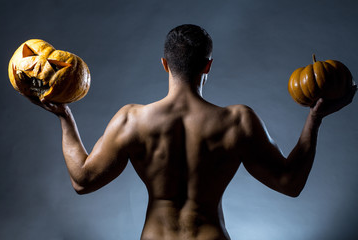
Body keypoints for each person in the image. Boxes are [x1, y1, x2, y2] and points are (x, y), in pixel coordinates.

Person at [30, 24, 356, 240]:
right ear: (208, 65)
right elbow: (290, 183)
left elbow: (82, 181)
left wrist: (64, 116)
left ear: (164, 64)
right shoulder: (237, 121)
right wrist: (315, 118)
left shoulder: (132, 119)